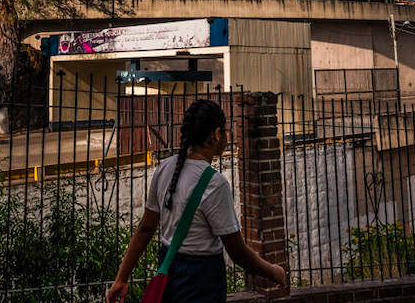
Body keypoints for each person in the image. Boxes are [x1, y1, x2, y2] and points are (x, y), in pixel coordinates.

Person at [106, 99, 287, 303]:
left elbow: (145, 228)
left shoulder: (165, 168)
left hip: (168, 269)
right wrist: (273, 271)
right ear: (216, 134)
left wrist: (121, 279)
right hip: (202, 279)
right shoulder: (215, 184)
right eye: (226, 131)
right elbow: (237, 251)